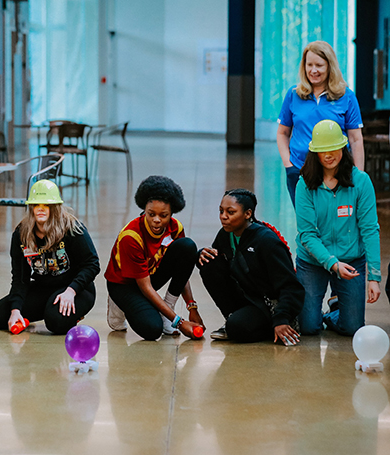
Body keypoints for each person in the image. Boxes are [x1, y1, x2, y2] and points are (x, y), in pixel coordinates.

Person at [296, 119, 381, 336]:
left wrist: (374, 277)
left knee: (353, 328)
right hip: (312, 261)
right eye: (323, 150)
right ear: (314, 152)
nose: (329, 155)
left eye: (334, 148)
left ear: (343, 147)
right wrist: (332, 264)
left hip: (351, 259)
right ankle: (325, 308)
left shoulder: (361, 181)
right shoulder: (304, 184)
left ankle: (334, 309)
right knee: (308, 327)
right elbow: (307, 234)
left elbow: (370, 229)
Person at [0, 180, 99, 335]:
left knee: (55, 322)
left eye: (46, 205)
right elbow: (20, 278)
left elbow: (92, 264)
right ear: (31, 207)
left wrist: (71, 291)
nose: (41, 209)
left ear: (55, 207)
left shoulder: (73, 229)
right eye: (36, 204)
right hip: (44, 287)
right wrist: (16, 310)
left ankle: (71, 313)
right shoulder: (21, 234)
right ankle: (40, 310)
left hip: (76, 288)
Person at [198, 189, 304, 344]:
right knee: (208, 262)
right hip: (247, 296)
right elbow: (219, 268)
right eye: (221, 211)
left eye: (230, 212)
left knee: (237, 329)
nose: (223, 217)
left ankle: (273, 324)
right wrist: (201, 254)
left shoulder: (267, 241)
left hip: (270, 303)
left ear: (247, 214)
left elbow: (291, 286)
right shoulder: (225, 234)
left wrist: (282, 318)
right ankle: (233, 317)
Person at [105, 175, 205, 341]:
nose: (156, 220)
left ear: (171, 213)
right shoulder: (131, 236)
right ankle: (119, 304)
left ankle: (167, 309)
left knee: (187, 247)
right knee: (152, 330)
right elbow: (145, 287)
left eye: (163, 215)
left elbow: (183, 270)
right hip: (124, 285)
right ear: (144, 209)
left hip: (149, 276)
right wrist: (179, 322)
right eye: (151, 214)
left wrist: (191, 307)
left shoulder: (175, 227)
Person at [277, 40, 364, 207]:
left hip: (336, 172)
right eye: (309, 65)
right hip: (299, 170)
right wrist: (289, 165)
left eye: (319, 65)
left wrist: (358, 175)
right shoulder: (293, 94)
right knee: (307, 224)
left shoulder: (346, 96)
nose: (313, 70)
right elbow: (282, 133)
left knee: (333, 223)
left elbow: (355, 139)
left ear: (329, 66)